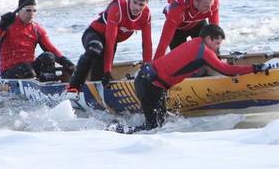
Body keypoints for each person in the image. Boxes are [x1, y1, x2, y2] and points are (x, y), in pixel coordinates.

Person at [113, 24, 269, 133]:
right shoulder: (204, 52)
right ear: (208, 39)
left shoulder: (195, 43)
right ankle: (115, 132)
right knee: (153, 129)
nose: (217, 47)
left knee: (160, 125)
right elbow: (226, 70)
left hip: (147, 80)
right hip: (150, 86)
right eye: (216, 43)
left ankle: (120, 129)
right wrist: (253, 68)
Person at [68, 0, 152, 92]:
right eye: (134, 2)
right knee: (95, 49)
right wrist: (107, 71)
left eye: (141, 4)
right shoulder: (118, 7)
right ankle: (73, 87)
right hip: (94, 35)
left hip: (111, 42)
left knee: (99, 78)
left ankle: (96, 93)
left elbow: (147, 44)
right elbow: (110, 41)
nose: (136, 8)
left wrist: (147, 69)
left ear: (147, 4)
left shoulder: (146, 14)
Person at [0, 0, 76, 81]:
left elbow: (51, 49)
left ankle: (49, 82)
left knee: (48, 56)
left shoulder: (36, 29)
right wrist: (2, 25)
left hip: (30, 68)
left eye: (34, 11)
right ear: (19, 10)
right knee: (26, 69)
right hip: (9, 71)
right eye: (28, 10)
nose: (31, 14)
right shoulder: (7, 24)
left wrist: (65, 61)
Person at [153, 0, 219, 59]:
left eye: (211, 6)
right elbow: (164, 41)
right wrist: (154, 64)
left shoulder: (213, 3)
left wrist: (216, 57)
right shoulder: (178, 7)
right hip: (178, 29)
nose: (210, 10)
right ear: (196, 2)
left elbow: (215, 32)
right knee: (181, 60)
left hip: (197, 24)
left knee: (209, 50)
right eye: (206, 7)